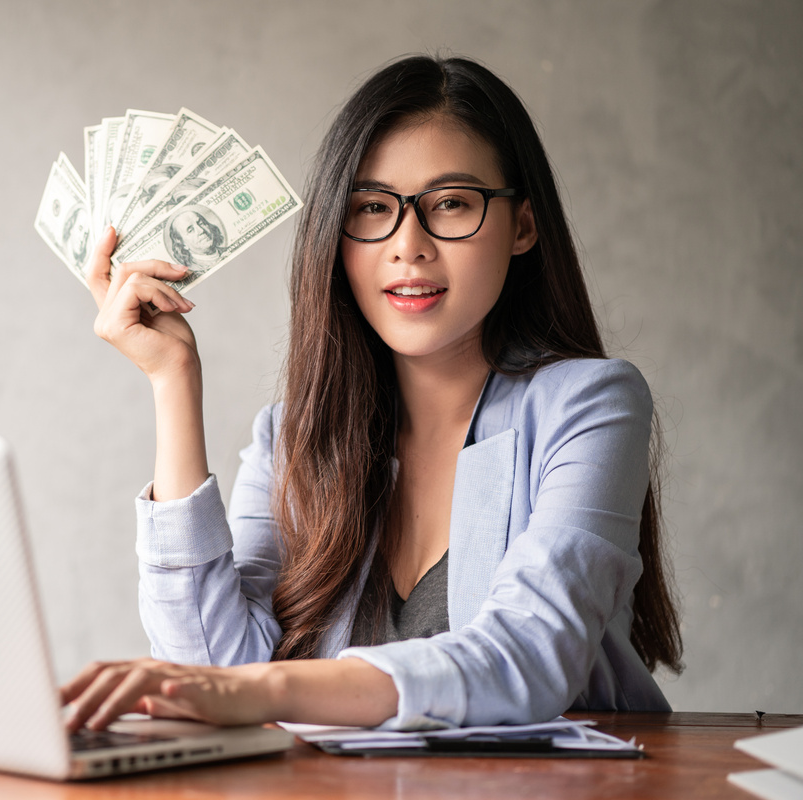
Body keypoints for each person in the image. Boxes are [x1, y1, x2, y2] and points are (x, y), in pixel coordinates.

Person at [61, 54, 683, 732]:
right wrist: (171, 380)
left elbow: (530, 657)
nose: (407, 246)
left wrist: (266, 691)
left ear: (523, 227)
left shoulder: (591, 405)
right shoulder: (292, 438)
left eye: (451, 204)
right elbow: (209, 667)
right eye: (371, 209)